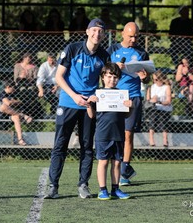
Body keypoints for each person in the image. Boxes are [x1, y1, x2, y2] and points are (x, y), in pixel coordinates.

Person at [44, 18, 110, 199]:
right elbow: (59, 77)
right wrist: (74, 96)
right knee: (60, 145)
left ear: (103, 35)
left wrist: (98, 95)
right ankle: (53, 186)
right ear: (87, 32)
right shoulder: (72, 49)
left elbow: (108, 80)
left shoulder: (104, 56)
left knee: (87, 146)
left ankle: (83, 184)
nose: (97, 34)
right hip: (68, 103)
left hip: (89, 105)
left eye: (100, 31)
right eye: (94, 30)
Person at [107, 22, 149, 186]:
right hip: (113, 96)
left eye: (136, 36)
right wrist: (113, 67)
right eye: (130, 36)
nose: (133, 39)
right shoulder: (112, 50)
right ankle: (118, 166)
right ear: (122, 34)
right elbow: (103, 71)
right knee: (113, 133)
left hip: (133, 97)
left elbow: (148, 77)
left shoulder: (141, 53)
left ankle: (124, 171)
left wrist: (144, 77)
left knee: (128, 134)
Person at [86, 62, 132, 200]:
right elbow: (92, 115)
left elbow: (126, 115)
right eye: (109, 77)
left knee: (117, 162)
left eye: (115, 77)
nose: (112, 80)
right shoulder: (98, 94)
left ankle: (115, 189)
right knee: (103, 161)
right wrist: (89, 103)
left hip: (118, 134)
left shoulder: (121, 95)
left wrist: (131, 106)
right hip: (103, 134)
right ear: (103, 77)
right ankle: (102, 190)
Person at [0, 80, 33, 146]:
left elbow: (18, 102)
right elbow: (8, 103)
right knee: (3, 106)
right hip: (0, 114)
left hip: (11, 113)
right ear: (8, 87)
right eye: (13, 87)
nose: (14, 89)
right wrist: (14, 101)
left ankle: (20, 139)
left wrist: (15, 102)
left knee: (16, 117)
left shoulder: (12, 94)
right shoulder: (3, 93)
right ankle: (23, 115)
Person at [146, 70, 173, 147]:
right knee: (153, 116)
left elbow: (168, 101)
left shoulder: (166, 87)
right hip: (153, 108)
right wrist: (152, 100)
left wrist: (159, 101)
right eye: (154, 79)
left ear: (161, 78)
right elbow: (148, 100)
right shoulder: (151, 87)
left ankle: (165, 140)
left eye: (156, 79)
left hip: (164, 108)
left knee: (162, 119)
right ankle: (151, 139)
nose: (155, 81)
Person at [14, 52, 43, 118]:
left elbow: (35, 78)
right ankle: (25, 110)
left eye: (30, 58)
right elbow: (15, 79)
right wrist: (21, 77)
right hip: (20, 84)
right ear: (24, 58)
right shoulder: (17, 66)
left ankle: (27, 110)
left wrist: (28, 77)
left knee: (30, 90)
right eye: (27, 58)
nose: (29, 59)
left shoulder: (34, 67)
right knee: (22, 90)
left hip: (30, 84)